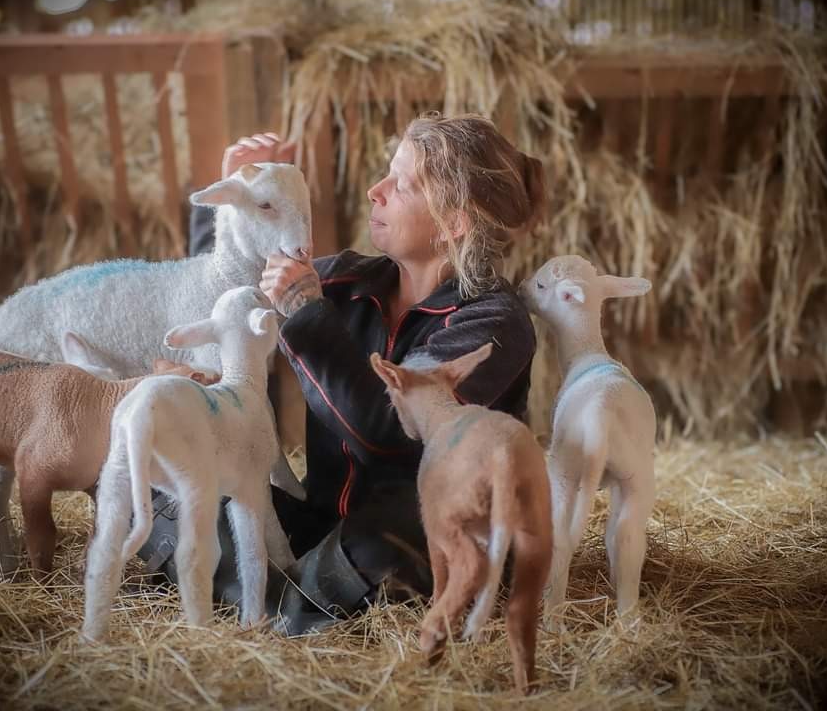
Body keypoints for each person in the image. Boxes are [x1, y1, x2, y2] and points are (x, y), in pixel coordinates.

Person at [138, 113, 546, 635]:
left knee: (385, 544)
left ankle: (257, 600)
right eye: (386, 174)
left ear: (455, 222)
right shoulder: (345, 280)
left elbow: (390, 431)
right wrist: (240, 199)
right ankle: (294, 601)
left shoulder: (490, 323)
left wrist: (307, 313)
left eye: (402, 184)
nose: (376, 191)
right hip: (323, 518)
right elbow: (226, 303)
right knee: (161, 474)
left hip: (425, 532)